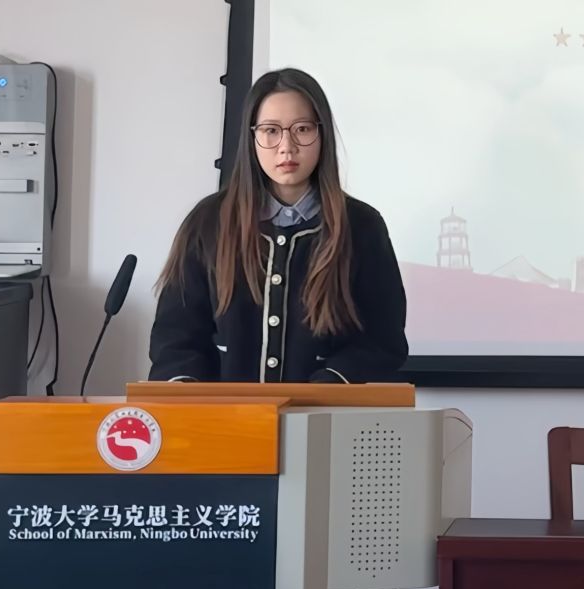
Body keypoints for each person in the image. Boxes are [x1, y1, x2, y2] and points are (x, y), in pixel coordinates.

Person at [148, 68, 408, 383]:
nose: (287, 146)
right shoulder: (207, 224)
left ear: (322, 134)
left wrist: (327, 388)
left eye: (302, 129)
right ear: (252, 137)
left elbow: (381, 340)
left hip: (323, 412)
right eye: (271, 130)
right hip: (224, 413)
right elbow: (175, 338)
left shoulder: (362, 227)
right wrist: (189, 393)